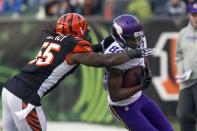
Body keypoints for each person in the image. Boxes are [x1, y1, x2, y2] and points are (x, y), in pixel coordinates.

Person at [1, 13, 156, 131]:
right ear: (75, 31)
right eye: (83, 30)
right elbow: (105, 60)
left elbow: (90, 52)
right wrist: (136, 53)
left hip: (10, 90)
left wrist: (109, 40)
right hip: (25, 97)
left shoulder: (54, 40)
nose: (86, 33)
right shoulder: (75, 47)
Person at [95, 14, 173, 131]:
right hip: (123, 106)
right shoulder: (115, 57)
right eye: (132, 39)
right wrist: (140, 86)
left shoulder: (140, 40)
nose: (137, 42)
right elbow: (115, 95)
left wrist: (147, 71)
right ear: (121, 38)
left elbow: (142, 57)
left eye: (138, 37)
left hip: (139, 97)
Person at [175, 2, 197, 131]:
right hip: (187, 82)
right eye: (194, 15)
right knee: (183, 115)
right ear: (189, 15)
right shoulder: (183, 33)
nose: (196, 18)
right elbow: (178, 56)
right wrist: (181, 70)